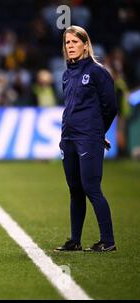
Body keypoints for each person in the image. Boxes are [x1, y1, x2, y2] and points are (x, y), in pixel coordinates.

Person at [55, 26, 118, 252]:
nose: (70, 46)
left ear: (85, 44)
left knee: (92, 187)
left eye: (74, 42)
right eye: (67, 43)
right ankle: (75, 240)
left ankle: (108, 241)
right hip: (69, 138)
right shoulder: (66, 74)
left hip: (88, 137)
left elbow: (110, 107)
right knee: (75, 190)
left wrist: (99, 133)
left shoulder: (97, 72)